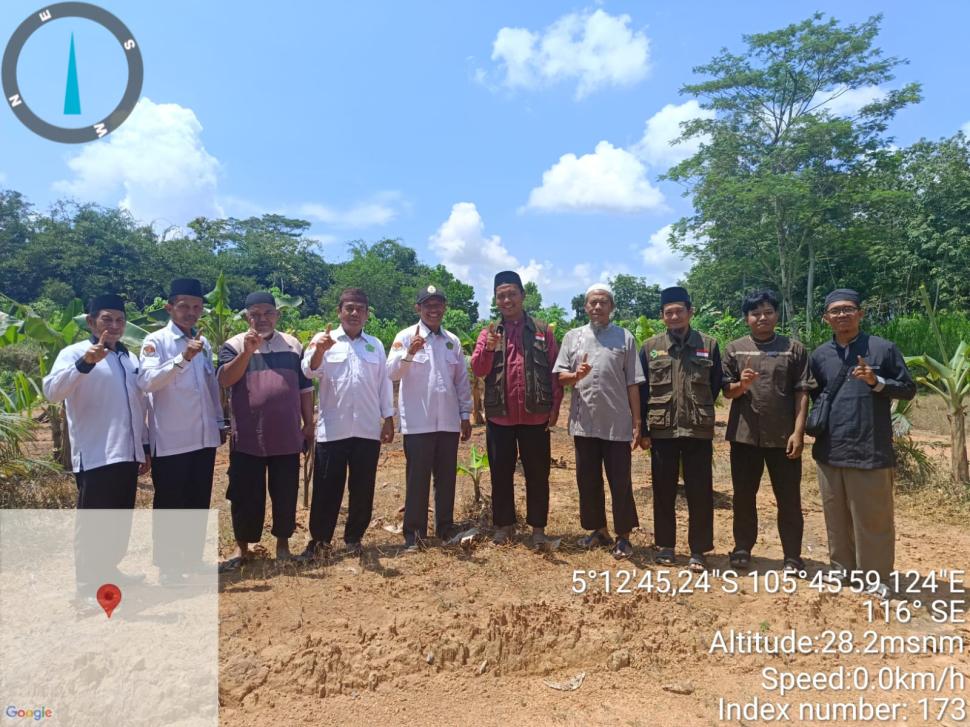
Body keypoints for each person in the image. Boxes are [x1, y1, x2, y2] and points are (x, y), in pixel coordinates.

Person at [810, 288, 915, 600]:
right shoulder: (819, 355)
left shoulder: (883, 349)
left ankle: (876, 577)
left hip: (870, 448)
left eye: (848, 309)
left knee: (873, 518)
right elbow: (814, 397)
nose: (842, 315)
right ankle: (841, 570)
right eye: (836, 311)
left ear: (861, 314)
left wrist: (876, 382)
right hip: (830, 449)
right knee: (835, 516)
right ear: (826, 318)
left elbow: (908, 389)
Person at [42, 293, 150, 597]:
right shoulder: (74, 352)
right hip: (96, 454)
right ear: (91, 322)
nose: (114, 325)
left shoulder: (129, 357)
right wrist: (85, 363)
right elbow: (52, 391)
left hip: (127, 453)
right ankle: (87, 586)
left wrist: (143, 446)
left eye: (119, 319)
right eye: (107, 319)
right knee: (94, 524)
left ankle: (110, 569)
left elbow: (137, 404)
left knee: (119, 520)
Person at [217, 292, 314, 571]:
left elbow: (305, 389)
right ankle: (241, 548)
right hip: (248, 437)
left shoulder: (294, 345)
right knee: (246, 494)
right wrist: (248, 351)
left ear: (277, 315)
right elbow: (225, 380)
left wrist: (308, 424)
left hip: (286, 435)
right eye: (255, 314)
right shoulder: (234, 345)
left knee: (284, 492)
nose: (262, 319)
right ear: (247, 317)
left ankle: (282, 546)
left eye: (268, 313)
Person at [137, 278, 223, 583]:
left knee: (198, 500)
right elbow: (147, 382)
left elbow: (210, 387)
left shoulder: (204, 341)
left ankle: (193, 560)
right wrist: (182, 358)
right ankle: (169, 567)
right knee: (170, 503)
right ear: (169, 307)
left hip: (202, 437)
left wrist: (219, 422)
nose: (191, 312)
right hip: (171, 439)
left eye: (197, 307)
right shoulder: (156, 342)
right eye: (184, 306)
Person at [298, 288, 394, 559]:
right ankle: (319, 542)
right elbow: (309, 370)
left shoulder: (374, 344)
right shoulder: (324, 339)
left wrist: (388, 418)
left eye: (360, 309)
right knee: (327, 488)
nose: (354, 313)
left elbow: (384, 385)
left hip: (366, 429)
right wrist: (319, 351)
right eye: (349, 308)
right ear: (339, 311)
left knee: (363, 488)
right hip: (333, 430)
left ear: (367, 314)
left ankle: (354, 539)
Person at [722, 289, 813, 573]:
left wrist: (798, 433)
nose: (762, 317)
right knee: (743, 496)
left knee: (789, 499)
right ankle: (741, 548)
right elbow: (727, 392)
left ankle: (792, 557)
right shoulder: (734, 349)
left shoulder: (793, 349)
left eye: (768, 312)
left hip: (783, 437)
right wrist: (742, 385)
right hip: (744, 436)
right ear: (746, 318)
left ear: (777, 315)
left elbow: (802, 393)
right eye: (755, 313)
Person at [471, 270, 563, 550]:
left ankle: (537, 528)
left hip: (535, 416)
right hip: (500, 416)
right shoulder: (489, 332)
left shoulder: (541, 330)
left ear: (523, 296)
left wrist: (556, 407)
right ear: (496, 300)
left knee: (538, 473)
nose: (507, 299)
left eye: (512, 294)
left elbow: (555, 370)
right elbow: (478, 369)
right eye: (502, 295)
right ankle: (504, 526)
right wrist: (488, 349)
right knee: (500, 473)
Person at [554, 283, 643, 559]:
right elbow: (561, 377)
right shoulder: (572, 338)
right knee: (588, 480)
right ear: (585, 307)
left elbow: (633, 383)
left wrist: (637, 421)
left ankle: (624, 536)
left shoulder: (624, 338)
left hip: (617, 423)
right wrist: (576, 375)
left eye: (603, 302)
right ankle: (598, 530)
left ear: (611, 307)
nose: (597, 307)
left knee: (620, 482)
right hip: (585, 423)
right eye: (592, 302)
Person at [639, 286, 722, 572]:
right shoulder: (650, 348)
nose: (674, 316)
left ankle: (698, 549)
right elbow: (642, 390)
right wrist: (644, 430)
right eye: (668, 312)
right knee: (663, 490)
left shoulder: (708, 345)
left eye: (679, 311)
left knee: (700, 491)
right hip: (663, 431)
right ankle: (666, 546)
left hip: (697, 430)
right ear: (662, 316)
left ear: (690, 312)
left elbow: (714, 385)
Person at [387, 285, 472, 552]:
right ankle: (414, 533)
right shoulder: (404, 336)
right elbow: (392, 374)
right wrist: (409, 353)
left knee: (446, 477)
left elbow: (461, 382)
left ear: (444, 308)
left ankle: (445, 528)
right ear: (418, 309)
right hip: (418, 422)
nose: (433, 310)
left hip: (447, 422)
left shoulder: (452, 341)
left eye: (438, 305)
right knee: (417, 479)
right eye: (427, 305)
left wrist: (465, 415)